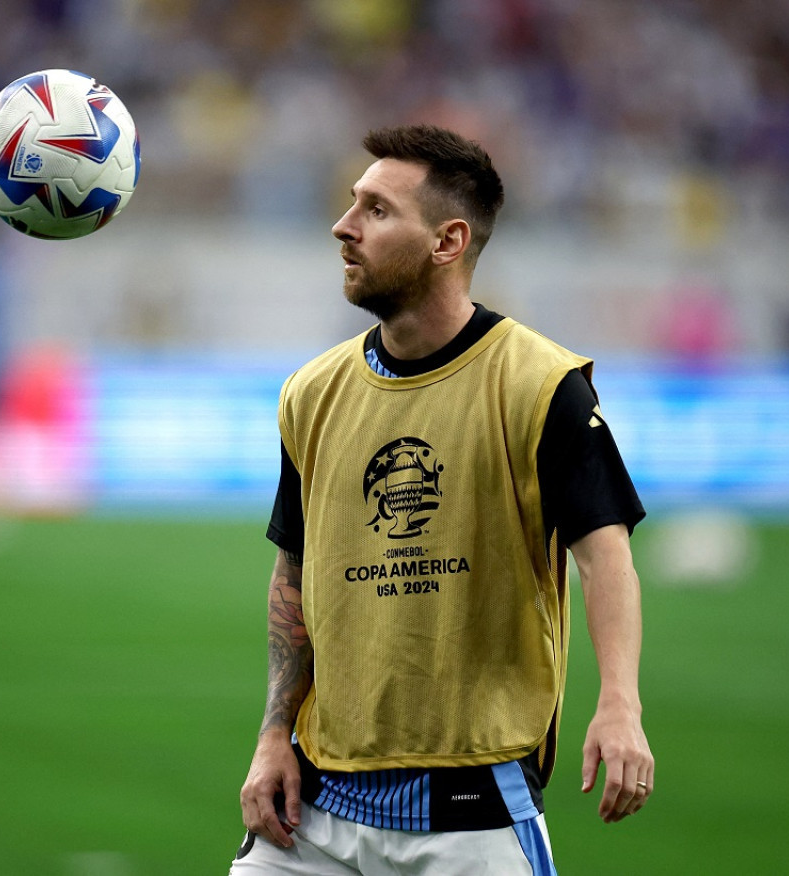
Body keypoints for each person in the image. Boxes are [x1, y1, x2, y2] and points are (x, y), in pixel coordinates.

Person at [232, 125, 653, 875]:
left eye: (376, 210)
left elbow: (605, 552)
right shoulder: (311, 394)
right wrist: (273, 735)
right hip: (315, 808)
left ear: (448, 241)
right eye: (351, 204)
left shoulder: (542, 385)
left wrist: (621, 703)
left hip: (471, 811)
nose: (343, 225)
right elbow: (293, 574)